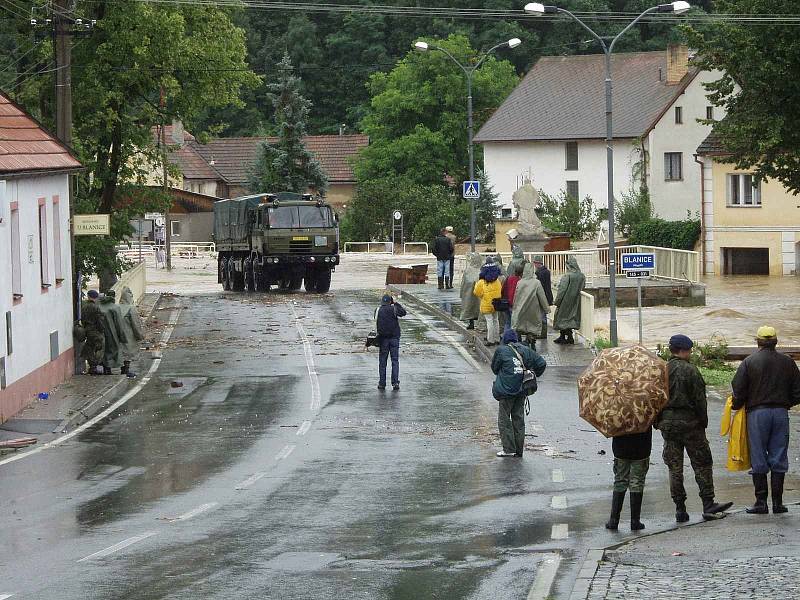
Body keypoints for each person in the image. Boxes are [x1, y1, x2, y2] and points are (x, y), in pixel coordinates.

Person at [654, 334, 733, 521]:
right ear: (684, 350)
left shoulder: (662, 370)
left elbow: (655, 398)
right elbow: (700, 400)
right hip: (690, 424)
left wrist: (658, 421)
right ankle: (708, 504)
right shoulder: (691, 371)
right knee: (702, 462)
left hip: (668, 424)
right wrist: (703, 422)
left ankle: (680, 509)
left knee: (675, 467)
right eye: (689, 350)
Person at [732, 326, 800, 514]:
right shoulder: (788, 362)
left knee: (759, 455)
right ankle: (778, 504)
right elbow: (798, 391)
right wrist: (786, 404)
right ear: (776, 341)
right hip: (780, 413)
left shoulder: (749, 362)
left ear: (758, 342)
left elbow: (738, 389)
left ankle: (761, 502)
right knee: (779, 455)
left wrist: (736, 406)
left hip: (757, 414)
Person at [491, 330, 546, 457]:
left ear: (504, 339)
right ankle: (519, 450)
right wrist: (532, 373)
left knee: (504, 419)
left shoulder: (501, 350)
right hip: (522, 389)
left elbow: (494, 368)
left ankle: (509, 449)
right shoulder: (526, 350)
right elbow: (541, 363)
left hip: (506, 390)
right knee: (518, 419)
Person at [606, 427, 652, 531]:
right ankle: (635, 521)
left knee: (620, 480)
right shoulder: (646, 410)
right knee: (637, 482)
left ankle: (614, 520)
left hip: (621, 446)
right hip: (642, 447)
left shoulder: (618, 409)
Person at [511, 263, 550, 348]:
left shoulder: (520, 282)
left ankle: (521, 342)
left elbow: (516, 296)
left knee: (522, 325)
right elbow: (542, 296)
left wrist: (515, 307)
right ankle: (532, 340)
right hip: (534, 309)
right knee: (532, 326)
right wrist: (546, 309)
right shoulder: (536, 283)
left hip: (522, 308)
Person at [376, 294, 407, 391]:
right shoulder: (394, 309)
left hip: (383, 339)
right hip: (394, 338)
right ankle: (395, 382)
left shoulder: (378, 310)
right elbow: (403, 313)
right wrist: (396, 303)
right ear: (390, 301)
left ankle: (382, 383)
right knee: (395, 360)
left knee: (382, 362)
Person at [553, 256, 586, 344]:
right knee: (570, 319)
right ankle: (569, 336)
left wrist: (557, 301)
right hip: (576, 301)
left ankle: (563, 337)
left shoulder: (567, 276)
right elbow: (583, 287)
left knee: (561, 318)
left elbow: (562, 290)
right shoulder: (581, 276)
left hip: (565, 301)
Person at [97, 290, 129, 375]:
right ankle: (121, 369)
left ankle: (106, 369)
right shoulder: (115, 307)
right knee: (114, 351)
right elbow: (119, 323)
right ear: (114, 297)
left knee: (103, 350)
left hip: (99, 332)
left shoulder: (99, 306)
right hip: (112, 332)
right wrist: (122, 337)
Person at [474, 258, 503, 346]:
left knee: (489, 321)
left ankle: (490, 340)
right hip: (496, 303)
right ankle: (497, 338)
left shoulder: (482, 282)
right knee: (496, 320)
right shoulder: (497, 281)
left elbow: (476, 292)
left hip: (486, 304)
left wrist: (483, 296)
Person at [118, 287, 145, 377]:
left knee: (120, 351)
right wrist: (140, 335)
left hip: (117, 333)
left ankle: (119, 369)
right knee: (128, 352)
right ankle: (126, 370)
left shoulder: (116, 307)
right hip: (128, 332)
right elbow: (136, 324)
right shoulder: (131, 308)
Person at [80, 290, 107, 375]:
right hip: (95, 330)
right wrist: (102, 329)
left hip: (87, 330)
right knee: (99, 347)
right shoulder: (96, 307)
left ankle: (92, 367)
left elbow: (83, 319)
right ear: (96, 297)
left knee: (90, 347)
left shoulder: (84, 306)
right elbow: (99, 321)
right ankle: (95, 366)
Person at [459, 252, 483, 330]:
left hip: (469, 293)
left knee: (471, 307)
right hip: (479, 293)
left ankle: (471, 322)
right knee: (479, 308)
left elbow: (464, 282)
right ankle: (477, 323)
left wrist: (462, 292)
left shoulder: (468, 270)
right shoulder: (481, 269)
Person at [533, 256, 553, 340]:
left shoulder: (540, 273)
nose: (534, 265)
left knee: (542, 315)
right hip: (547, 295)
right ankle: (543, 332)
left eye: (535, 263)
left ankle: (543, 333)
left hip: (543, 296)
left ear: (538, 263)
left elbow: (540, 287)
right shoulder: (546, 272)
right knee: (543, 314)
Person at [501, 265, 523, 334]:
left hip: (507, 303)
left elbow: (503, 290)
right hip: (515, 305)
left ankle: (506, 338)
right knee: (515, 324)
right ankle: (514, 339)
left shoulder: (509, 278)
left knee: (508, 322)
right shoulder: (520, 281)